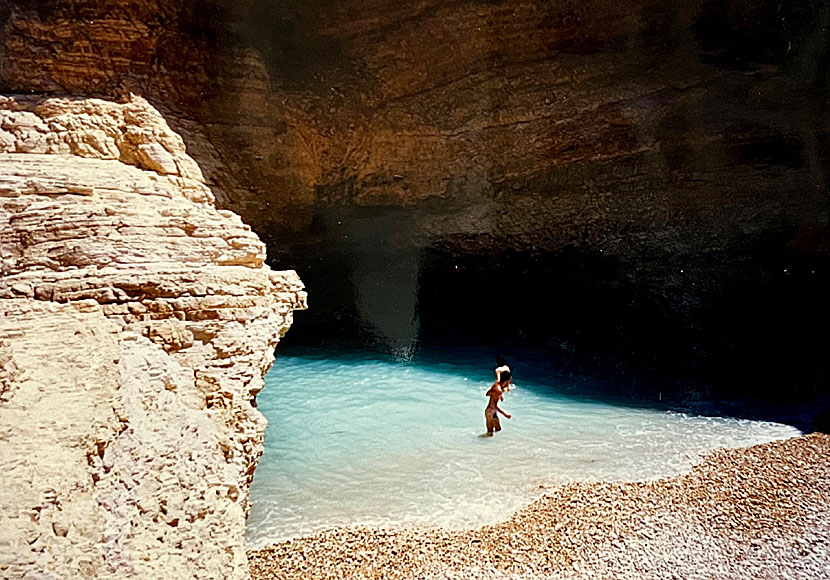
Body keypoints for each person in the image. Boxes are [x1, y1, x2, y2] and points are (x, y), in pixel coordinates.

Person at [484, 371, 512, 436]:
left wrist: (498, 396)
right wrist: (505, 414)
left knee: (498, 429)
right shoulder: (498, 390)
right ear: (508, 380)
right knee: (490, 434)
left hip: (492, 411)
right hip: (490, 412)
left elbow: (487, 394)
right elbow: (494, 406)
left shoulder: (496, 385)